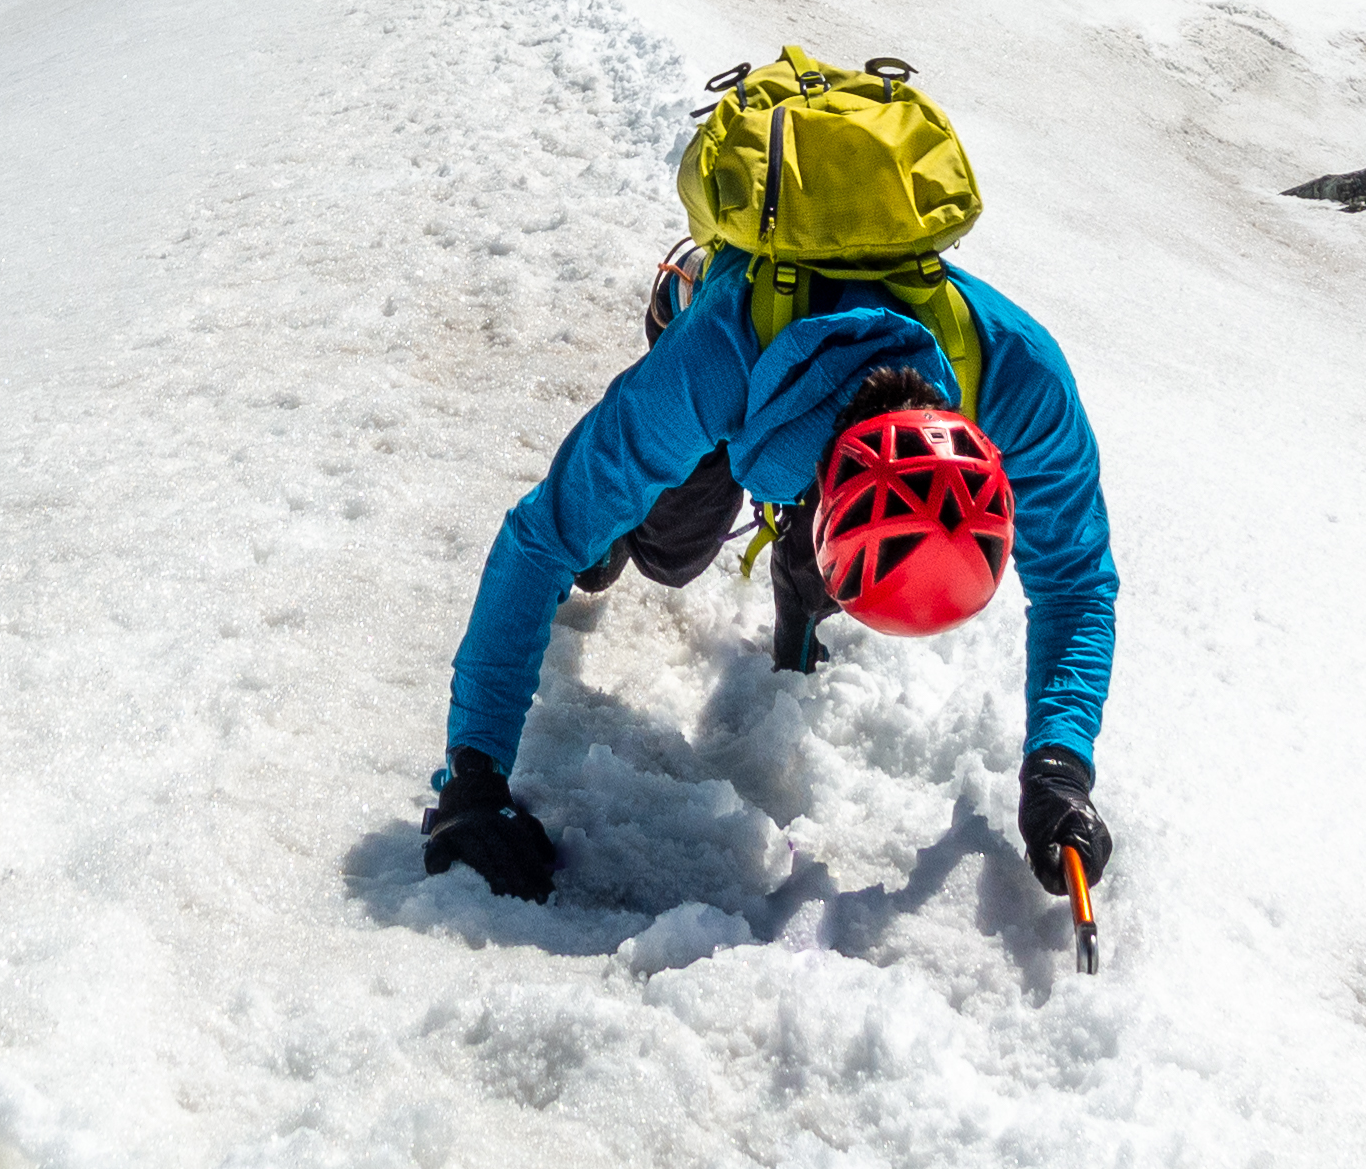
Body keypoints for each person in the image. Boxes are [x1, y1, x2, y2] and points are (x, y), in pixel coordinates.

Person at [419, 51, 1120, 916]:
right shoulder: (711, 363)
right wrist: (472, 778)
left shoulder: (1019, 373)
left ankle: (799, 608)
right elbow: (539, 535)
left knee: (813, 585)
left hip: (805, 432)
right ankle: (629, 530)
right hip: (737, 356)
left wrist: (1060, 764)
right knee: (666, 550)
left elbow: (1077, 578)